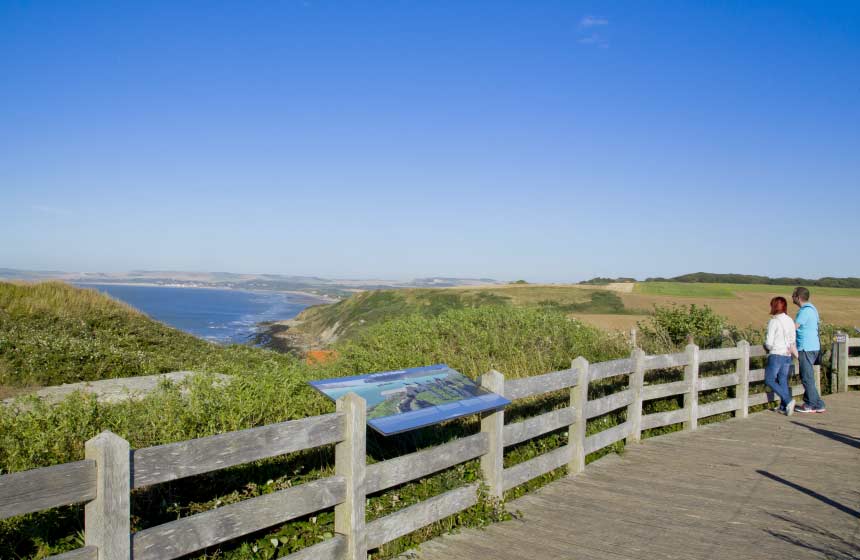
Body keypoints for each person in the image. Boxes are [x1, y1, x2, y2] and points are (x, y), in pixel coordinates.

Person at [791, 287, 826, 413]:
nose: (792, 298)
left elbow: (794, 327)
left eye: (793, 295)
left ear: (798, 297)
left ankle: (811, 404)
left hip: (806, 347)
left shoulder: (804, 311)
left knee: (806, 377)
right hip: (814, 346)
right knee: (809, 376)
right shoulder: (813, 309)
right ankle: (818, 404)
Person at [764, 296, 796, 415]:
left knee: (770, 380)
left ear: (773, 306)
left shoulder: (774, 321)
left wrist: (768, 347)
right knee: (782, 380)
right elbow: (793, 339)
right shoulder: (789, 320)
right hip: (787, 355)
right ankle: (784, 407)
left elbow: (769, 343)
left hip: (776, 354)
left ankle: (788, 401)